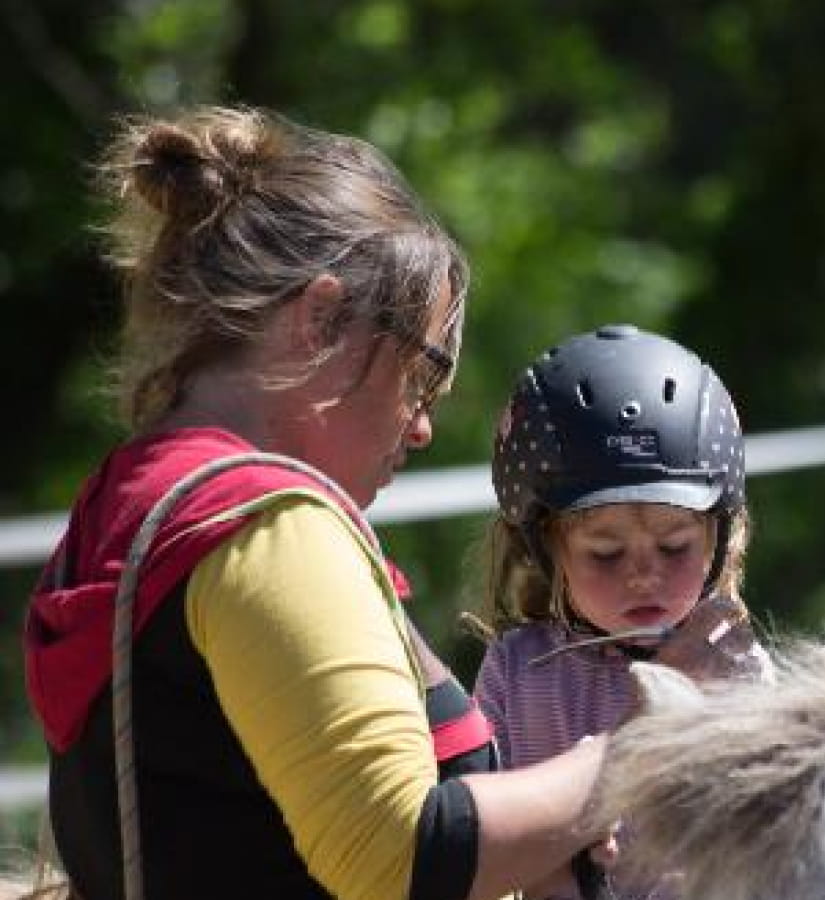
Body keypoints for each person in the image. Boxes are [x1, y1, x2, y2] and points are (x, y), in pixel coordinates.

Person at [22, 105, 606, 900]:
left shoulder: (138, 497)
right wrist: (637, 758)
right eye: (422, 374)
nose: (425, 424)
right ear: (320, 319)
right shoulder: (269, 527)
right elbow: (397, 852)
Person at [470, 324, 767, 900]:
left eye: (674, 547)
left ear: (718, 539)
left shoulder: (736, 671)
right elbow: (476, 835)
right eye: (605, 553)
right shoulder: (516, 671)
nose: (643, 573)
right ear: (545, 548)